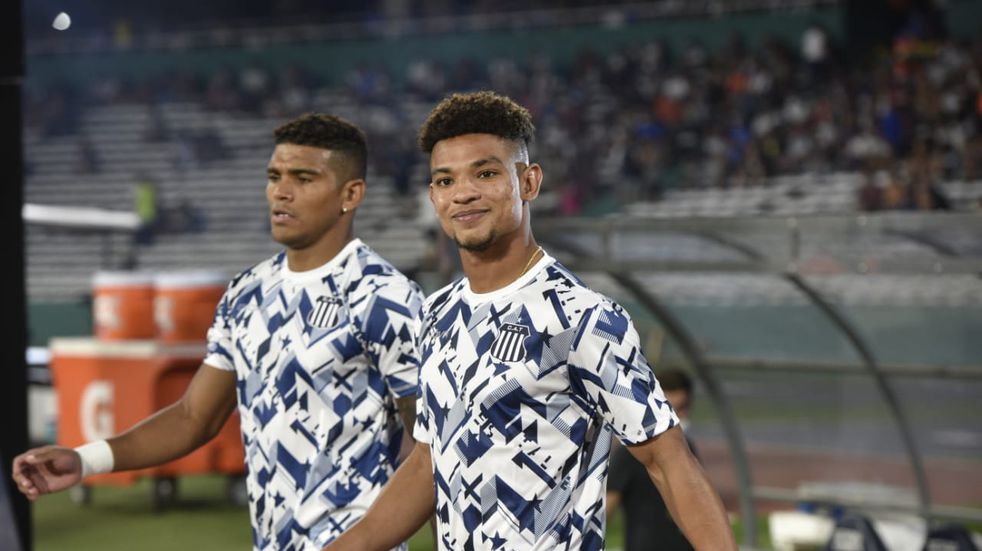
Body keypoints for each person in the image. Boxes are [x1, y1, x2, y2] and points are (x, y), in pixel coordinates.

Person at [326, 91, 736, 550]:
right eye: (445, 181)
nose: (463, 193)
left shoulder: (582, 316)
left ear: (529, 182)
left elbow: (666, 460)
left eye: (485, 173)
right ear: (434, 197)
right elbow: (428, 462)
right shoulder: (437, 313)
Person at [12, 113, 424, 551]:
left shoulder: (385, 297)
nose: (281, 191)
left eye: (304, 178)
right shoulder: (247, 292)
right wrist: (84, 459)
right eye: (274, 176)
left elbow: (430, 453)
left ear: (351, 194)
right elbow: (193, 417)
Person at [607, 369, 700, 551]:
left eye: (684, 408)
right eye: (674, 410)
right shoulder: (632, 451)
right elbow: (606, 506)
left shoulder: (688, 449)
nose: (681, 418)